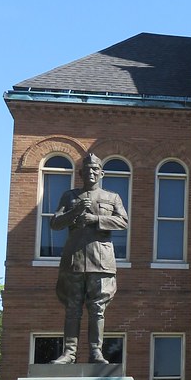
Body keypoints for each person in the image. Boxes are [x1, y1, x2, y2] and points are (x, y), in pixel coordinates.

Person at [50, 153, 128, 364]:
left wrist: (96, 219)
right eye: (88, 169)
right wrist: (74, 211)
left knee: (97, 309)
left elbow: (123, 222)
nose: (91, 172)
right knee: (73, 307)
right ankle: (69, 353)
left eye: (96, 169)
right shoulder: (70, 196)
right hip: (74, 259)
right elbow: (55, 223)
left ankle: (96, 352)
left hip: (101, 261)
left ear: (101, 173)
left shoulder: (112, 198)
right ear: (81, 173)